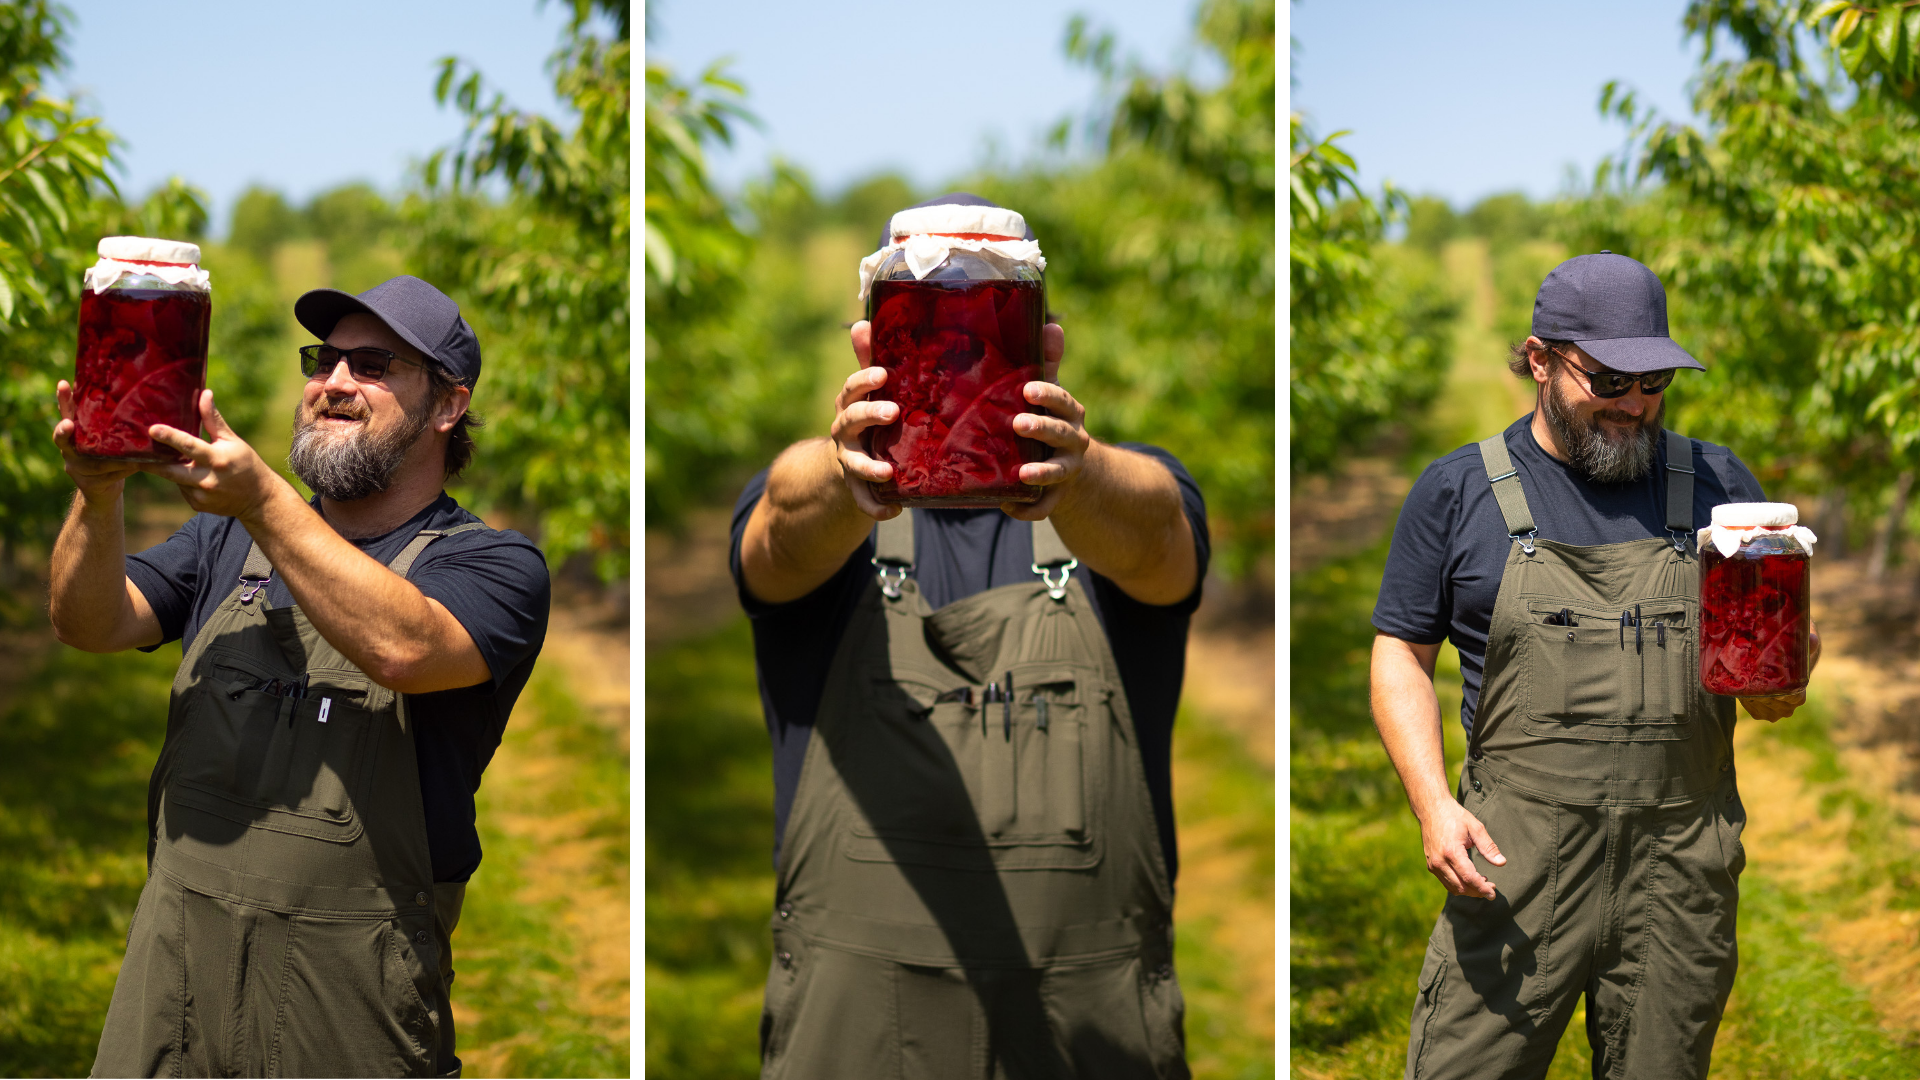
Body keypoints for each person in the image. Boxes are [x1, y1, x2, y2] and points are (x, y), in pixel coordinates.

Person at [731, 193, 1208, 1079]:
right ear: (871, 342)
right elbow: (777, 532)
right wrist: (853, 478)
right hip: (857, 1040)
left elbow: (1160, 539)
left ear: (1046, 344)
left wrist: (1077, 474)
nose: (959, 355)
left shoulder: (1107, 500)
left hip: (1086, 1037)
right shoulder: (827, 509)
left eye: (989, 317)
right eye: (930, 318)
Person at [50, 275, 551, 1078]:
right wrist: (98, 492)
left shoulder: (491, 564)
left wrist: (261, 502)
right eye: (324, 360)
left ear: (448, 406)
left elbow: (405, 648)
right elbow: (90, 622)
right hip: (173, 969)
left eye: (375, 364)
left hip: (348, 996)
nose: (334, 384)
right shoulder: (220, 546)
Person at [1371, 251, 1819, 1079]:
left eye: (1654, 385)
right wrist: (1433, 803)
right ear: (1541, 360)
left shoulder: (1718, 487)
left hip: (1678, 868)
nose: (1634, 406)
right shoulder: (1461, 490)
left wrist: (1785, 668)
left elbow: (1766, 692)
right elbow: (1401, 645)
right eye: (1609, 381)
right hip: (1517, 865)